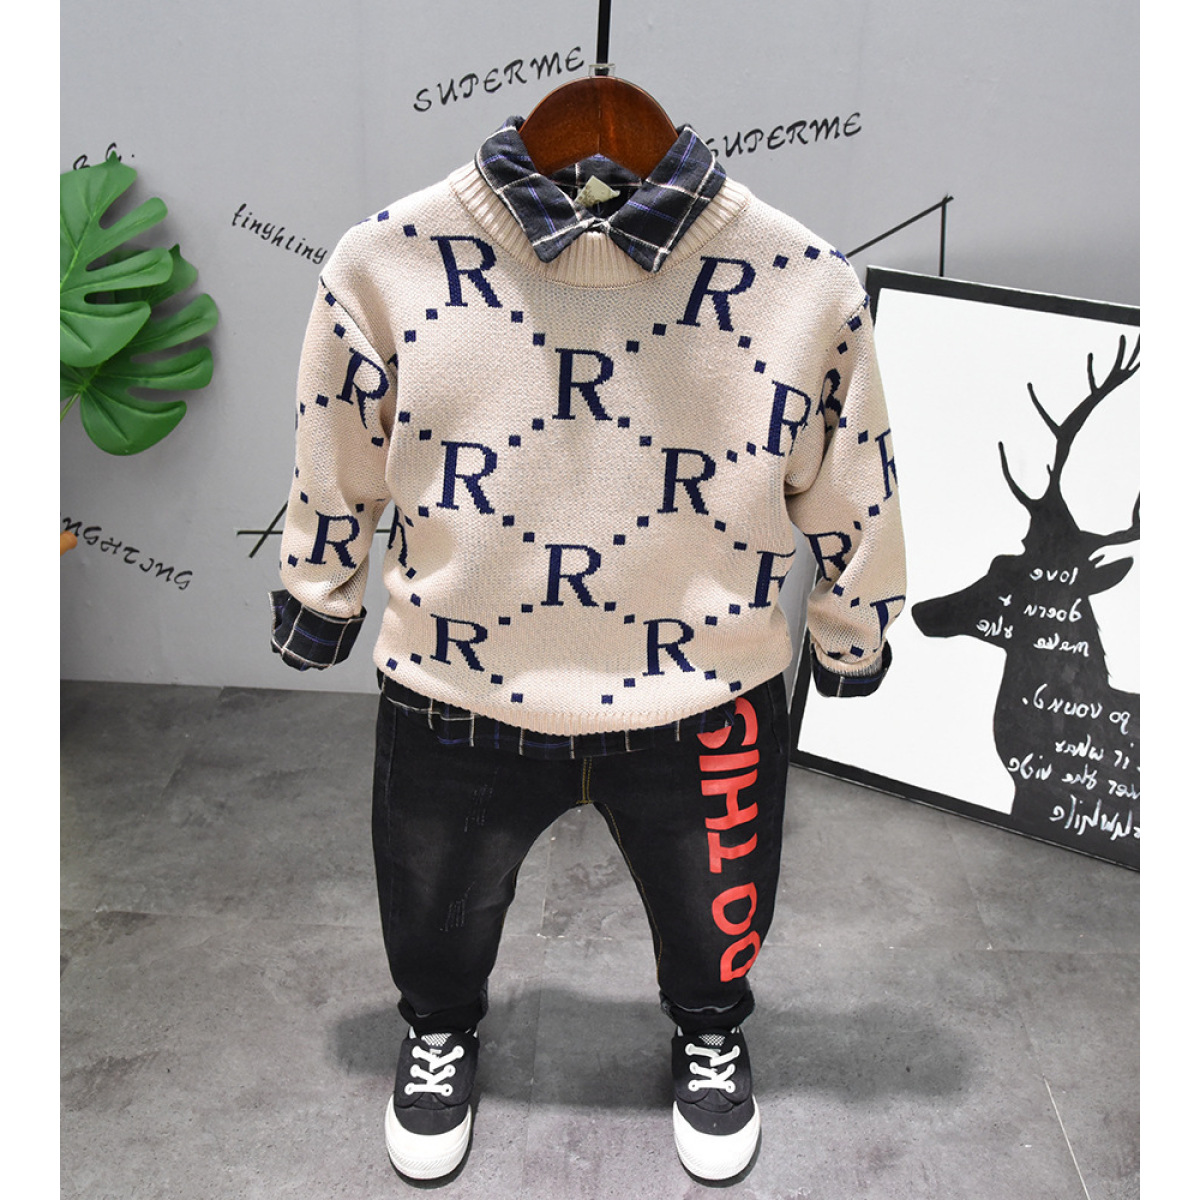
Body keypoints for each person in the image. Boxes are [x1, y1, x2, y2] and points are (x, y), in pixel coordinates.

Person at [269, 113, 905, 1183]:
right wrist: (318, 591)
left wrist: (856, 621)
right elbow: (336, 441)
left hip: (704, 688)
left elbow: (856, 470)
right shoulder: (387, 262)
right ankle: (439, 1029)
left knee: (717, 921)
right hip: (459, 682)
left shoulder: (799, 280)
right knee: (433, 913)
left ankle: (710, 1030)